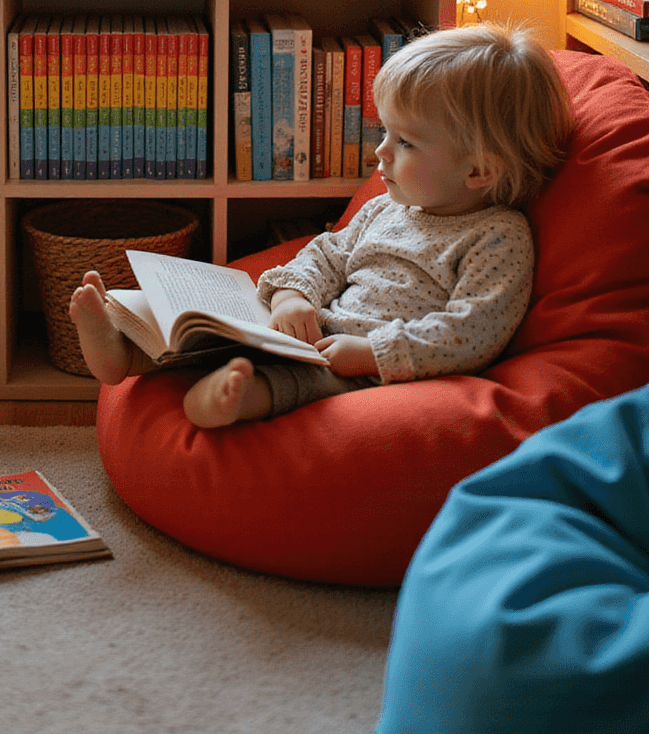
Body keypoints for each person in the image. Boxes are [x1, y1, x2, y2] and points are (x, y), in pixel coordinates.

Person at [69, 21, 572, 429]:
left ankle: (231, 402)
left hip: (364, 371)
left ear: (479, 170)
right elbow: (326, 252)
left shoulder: (497, 236)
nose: (381, 151)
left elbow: (473, 331)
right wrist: (293, 296)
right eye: (385, 132)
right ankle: (122, 350)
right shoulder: (387, 209)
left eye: (406, 143)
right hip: (313, 332)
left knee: (296, 385)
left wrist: (373, 354)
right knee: (199, 330)